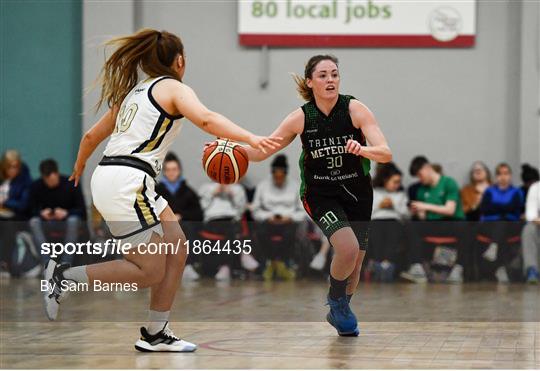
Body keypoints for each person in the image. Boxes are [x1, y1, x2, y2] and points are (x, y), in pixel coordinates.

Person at [43, 28, 280, 352]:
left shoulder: (135, 92)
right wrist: (251, 138)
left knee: (177, 247)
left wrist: (80, 166)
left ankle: (156, 333)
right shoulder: (171, 87)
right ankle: (66, 276)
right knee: (150, 271)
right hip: (128, 180)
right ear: (179, 60)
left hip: (118, 175)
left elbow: (90, 138)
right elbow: (207, 120)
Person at [242, 55, 392, 336]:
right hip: (320, 193)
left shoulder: (355, 109)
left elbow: (385, 152)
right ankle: (336, 300)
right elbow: (263, 151)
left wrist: (363, 150)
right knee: (346, 248)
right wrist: (230, 149)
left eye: (334, 74)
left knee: (356, 262)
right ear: (310, 82)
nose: (330, 80)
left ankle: (341, 307)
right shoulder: (301, 117)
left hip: (357, 192)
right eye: (323, 75)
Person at [401, 156, 466, 283]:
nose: (420, 179)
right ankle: (417, 268)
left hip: (451, 223)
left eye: (420, 175)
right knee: (410, 225)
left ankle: (458, 269)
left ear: (428, 168)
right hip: (433, 224)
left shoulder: (449, 182)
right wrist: (419, 211)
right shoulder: (421, 190)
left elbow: (450, 210)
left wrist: (425, 205)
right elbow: (423, 218)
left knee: (466, 226)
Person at [251, 154, 305, 281]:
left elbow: (302, 210)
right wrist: (267, 217)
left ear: (285, 174)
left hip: (288, 221)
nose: (278, 179)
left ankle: (280, 263)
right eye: (276, 176)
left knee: (290, 234)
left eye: (281, 176)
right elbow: (255, 209)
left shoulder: (295, 186)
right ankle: (273, 262)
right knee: (261, 233)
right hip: (268, 220)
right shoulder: (263, 186)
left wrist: (291, 217)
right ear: (272, 173)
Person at [28, 159, 87, 266]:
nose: (51, 182)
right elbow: (29, 211)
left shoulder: (71, 183)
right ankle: (47, 264)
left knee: (73, 220)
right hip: (47, 223)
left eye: (53, 179)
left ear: (57, 173)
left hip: (67, 221)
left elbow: (82, 211)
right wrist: (41, 214)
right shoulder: (36, 186)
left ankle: (65, 264)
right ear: (43, 177)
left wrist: (67, 213)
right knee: (34, 221)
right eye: (48, 180)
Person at [155, 152, 203, 281]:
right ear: (164, 172)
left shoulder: (188, 191)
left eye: (174, 169)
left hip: (184, 225)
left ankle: (188, 266)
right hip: (162, 225)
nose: (171, 173)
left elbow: (198, 213)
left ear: (179, 171)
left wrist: (181, 216)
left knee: (188, 229)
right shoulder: (156, 191)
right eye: (168, 170)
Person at [478, 163, 524, 283]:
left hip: (511, 224)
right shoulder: (489, 191)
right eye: (500, 174)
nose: (503, 177)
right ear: (496, 176)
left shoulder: (516, 192)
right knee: (500, 229)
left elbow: (515, 208)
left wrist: (497, 208)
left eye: (506, 173)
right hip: (490, 225)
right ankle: (501, 268)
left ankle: (494, 248)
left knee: (502, 225)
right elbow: (485, 208)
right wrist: (504, 208)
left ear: (510, 176)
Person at [198, 182, 247, 281]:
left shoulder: (238, 189)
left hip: (231, 219)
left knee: (231, 228)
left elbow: (241, 209)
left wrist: (232, 195)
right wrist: (212, 194)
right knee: (230, 230)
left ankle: (225, 266)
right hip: (212, 221)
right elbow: (201, 208)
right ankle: (240, 257)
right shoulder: (205, 188)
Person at [369, 163, 408, 282]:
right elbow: (366, 213)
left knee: (392, 230)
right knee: (376, 231)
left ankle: (386, 264)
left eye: (399, 182)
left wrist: (394, 205)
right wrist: (379, 206)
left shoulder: (400, 194)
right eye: (395, 182)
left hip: (394, 222)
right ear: (385, 180)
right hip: (375, 221)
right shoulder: (373, 192)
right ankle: (379, 263)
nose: (398, 185)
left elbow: (406, 214)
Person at [0, 150, 32, 276]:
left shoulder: (24, 180)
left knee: (7, 227)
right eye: (10, 167)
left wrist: (5, 203)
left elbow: (23, 205)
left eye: (15, 167)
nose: (13, 170)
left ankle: (5, 263)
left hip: (17, 217)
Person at [522, 180, 540, 283]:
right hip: (538, 226)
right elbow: (531, 214)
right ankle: (532, 270)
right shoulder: (535, 188)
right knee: (528, 229)